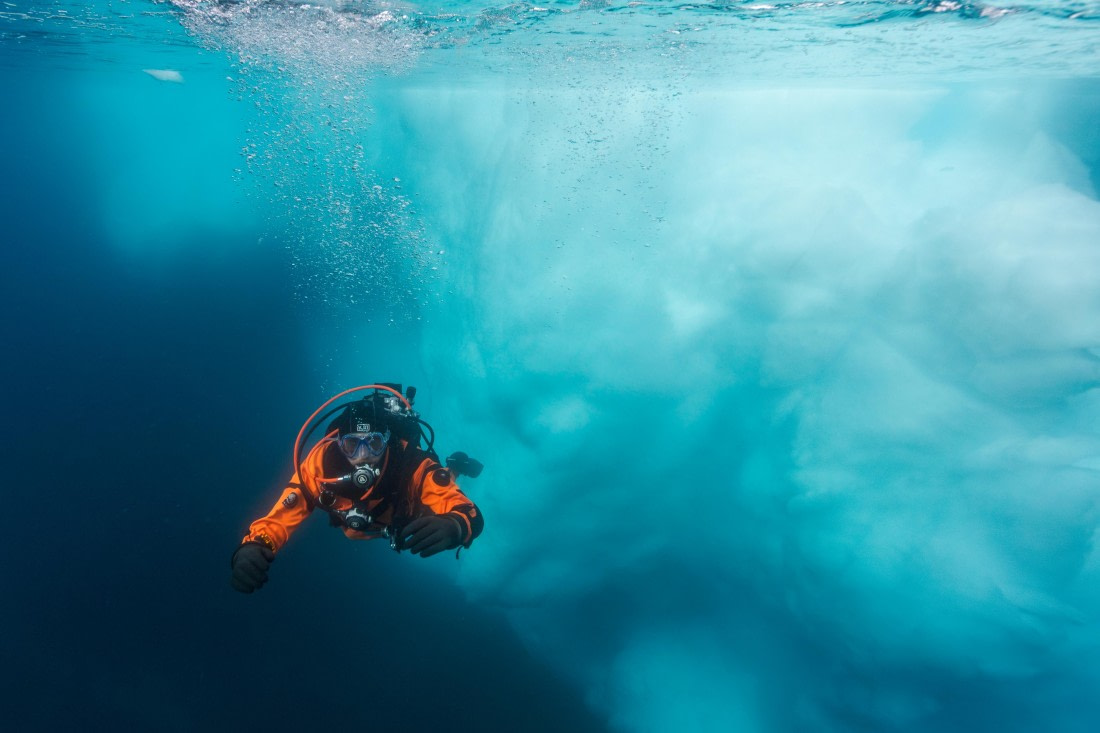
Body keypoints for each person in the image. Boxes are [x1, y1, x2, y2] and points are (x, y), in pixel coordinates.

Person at [231, 383, 484, 594]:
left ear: (386, 442)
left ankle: (456, 467)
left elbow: (465, 510)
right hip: (357, 527)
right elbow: (282, 515)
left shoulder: (413, 465)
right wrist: (255, 544)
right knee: (351, 533)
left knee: (435, 499)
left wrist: (455, 526)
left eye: (373, 443)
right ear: (339, 444)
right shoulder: (319, 465)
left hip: (405, 512)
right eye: (352, 446)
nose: (363, 456)